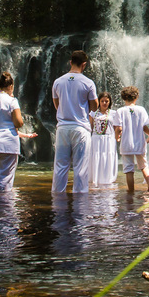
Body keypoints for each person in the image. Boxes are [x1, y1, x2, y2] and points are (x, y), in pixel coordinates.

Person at [51, 50, 98, 193]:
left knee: (60, 166)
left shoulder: (58, 81)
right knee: (81, 167)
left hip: (63, 127)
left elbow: (56, 104)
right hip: (81, 128)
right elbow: (95, 105)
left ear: (70, 62)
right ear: (84, 65)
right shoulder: (88, 82)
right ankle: (80, 202)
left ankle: (57, 201)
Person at [112, 86, 149, 191]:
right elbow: (144, 127)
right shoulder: (141, 110)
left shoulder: (120, 111)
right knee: (144, 165)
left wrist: (116, 137)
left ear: (123, 98)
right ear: (136, 97)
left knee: (129, 170)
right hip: (139, 143)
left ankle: (131, 192)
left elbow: (118, 128)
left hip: (127, 143)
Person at [89, 91, 119, 188]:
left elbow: (116, 128)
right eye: (102, 101)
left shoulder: (114, 113)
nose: (104, 103)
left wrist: (118, 136)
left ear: (110, 102)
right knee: (96, 156)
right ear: (99, 102)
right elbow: (90, 126)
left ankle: (107, 179)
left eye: (107, 101)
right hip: (96, 139)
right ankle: (95, 178)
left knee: (107, 156)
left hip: (109, 139)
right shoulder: (93, 113)